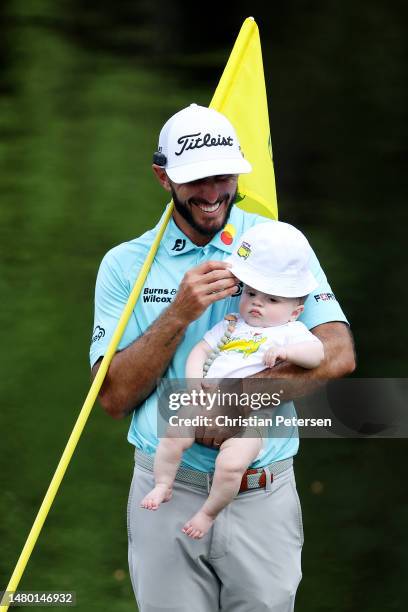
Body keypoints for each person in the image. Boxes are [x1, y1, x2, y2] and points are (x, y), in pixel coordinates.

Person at [90, 103, 355, 612]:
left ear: (238, 170)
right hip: (166, 491)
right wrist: (176, 315)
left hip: (262, 490)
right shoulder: (125, 264)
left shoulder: (279, 241)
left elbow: (338, 354)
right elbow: (112, 397)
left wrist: (235, 403)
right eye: (195, 181)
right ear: (162, 177)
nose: (211, 194)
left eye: (221, 176)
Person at [140, 221, 325, 540]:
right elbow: (200, 350)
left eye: (271, 300)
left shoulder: (291, 333)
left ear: (295, 312)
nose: (257, 303)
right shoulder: (232, 325)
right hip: (205, 400)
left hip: (252, 417)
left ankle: (208, 512)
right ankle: (163, 484)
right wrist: (194, 381)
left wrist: (287, 352)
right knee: (172, 434)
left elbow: (318, 355)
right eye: (251, 294)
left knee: (232, 465)